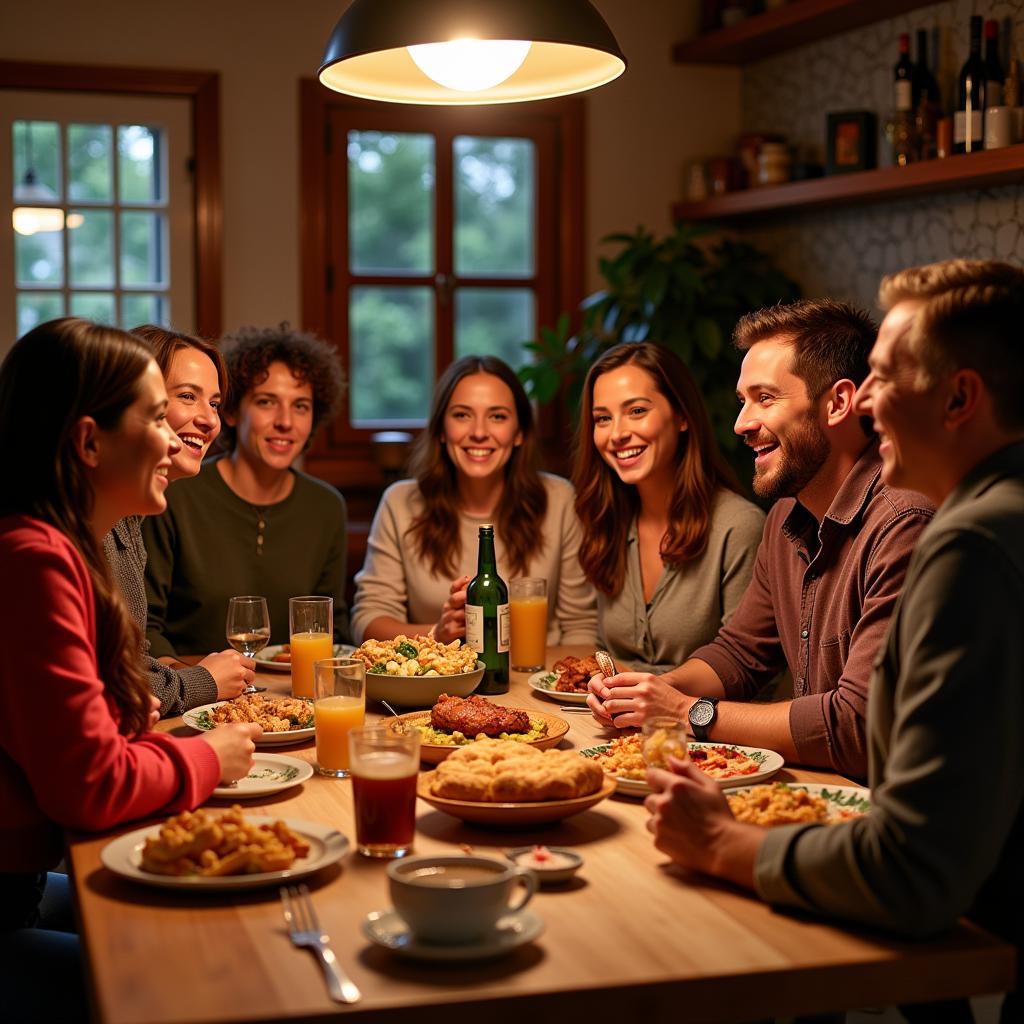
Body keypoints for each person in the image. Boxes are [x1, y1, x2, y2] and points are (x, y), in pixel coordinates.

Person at [645, 259, 1024, 1024]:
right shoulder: (985, 516)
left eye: (886, 377)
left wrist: (722, 843)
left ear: (959, 398)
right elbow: (743, 650)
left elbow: (912, 871)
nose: (869, 401)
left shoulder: (966, 542)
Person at [0, 318, 259, 1021]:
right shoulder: (35, 562)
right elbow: (93, 784)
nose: (177, 437)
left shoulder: (67, 549)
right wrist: (209, 756)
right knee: (198, 979)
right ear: (89, 442)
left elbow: (114, 719)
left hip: (25, 878)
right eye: (156, 415)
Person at [589, 300, 934, 780]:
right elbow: (740, 653)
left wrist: (687, 712)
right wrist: (651, 692)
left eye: (765, 398)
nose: (742, 424)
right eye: (742, 401)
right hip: (816, 786)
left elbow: (856, 725)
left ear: (838, 403)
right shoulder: (785, 517)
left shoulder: (905, 523)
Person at [352, 355, 597, 646]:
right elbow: (368, 619)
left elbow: (581, 626)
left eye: (497, 416)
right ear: (442, 430)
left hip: (534, 680)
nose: (479, 433)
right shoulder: (400, 502)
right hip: (439, 683)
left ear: (519, 433)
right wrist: (437, 633)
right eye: (462, 415)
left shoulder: (559, 500)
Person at [143, 323, 350, 656]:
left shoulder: (326, 506)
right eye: (267, 402)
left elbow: (334, 627)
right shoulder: (173, 490)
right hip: (189, 694)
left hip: (287, 695)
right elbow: (146, 629)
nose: (285, 421)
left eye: (301, 406)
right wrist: (197, 681)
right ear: (232, 411)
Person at [573, 342, 764, 673]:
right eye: (603, 418)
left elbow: (748, 669)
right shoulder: (608, 521)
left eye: (637, 411)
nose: (617, 433)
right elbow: (604, 655)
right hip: (612, 719)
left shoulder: (739, 527)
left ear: (681, 417)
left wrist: (655, 693)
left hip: (702, 722)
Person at [102, 325, 255, 716]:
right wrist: (204, 681)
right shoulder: (92, 525)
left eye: (216, 404)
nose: (209, 420)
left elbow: (134, 663)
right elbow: (114, 686)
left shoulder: (128, 519)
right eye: (188, 396)